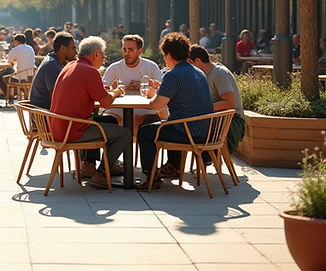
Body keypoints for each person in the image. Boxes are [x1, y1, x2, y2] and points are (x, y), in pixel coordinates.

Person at [50, 36, 132, 190]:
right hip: (73, 129)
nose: (103, 60)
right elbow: (106, 103)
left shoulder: (71, 66)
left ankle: (101, 164)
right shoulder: (89, 71)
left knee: (110, 121)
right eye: (103, 56)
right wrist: (116, 92)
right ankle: (101, 173)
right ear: (96, 54)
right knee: (126, 133)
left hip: (59, 125)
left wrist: (104, 91)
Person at [136, 32, 214, 190]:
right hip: (208, 130)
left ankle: (151, 177)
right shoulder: (198, 72)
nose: (164, 58)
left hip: (189, 132)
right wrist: (161, 90)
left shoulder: (173, 75)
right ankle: (173, 166)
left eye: (164, 55)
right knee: (170, 123)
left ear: (169, 55)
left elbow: (156, 106)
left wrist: (152, 95)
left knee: (145, 132)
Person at [189, 45, 246, 154]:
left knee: (192, 130)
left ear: (197, 61)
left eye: (189, 64)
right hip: (215, 119)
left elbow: (229, 103)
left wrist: (202, 109)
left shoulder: (219, 73)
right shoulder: (201, 76)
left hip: (232, 122)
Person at [102, 34, 164, 128]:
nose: (126, 53)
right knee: (108, 120)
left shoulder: (151, 66)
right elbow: (103, 89)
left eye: (130, 50)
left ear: (140, 51)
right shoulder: (114, 68)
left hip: (146, 109)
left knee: (152, 122)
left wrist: (147, 86)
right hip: (117, 109)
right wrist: (113, 89)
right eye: (124, 49)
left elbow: (163, 88)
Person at [29, 32, 76, 109]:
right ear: (63, 48)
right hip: (44, 112)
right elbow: (56, 97)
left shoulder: (55, 60)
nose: (75, 52)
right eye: (73, 48)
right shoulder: (52, 65)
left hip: (42, 110)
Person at [0, 33, 36, 103]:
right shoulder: (30, 48)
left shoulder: (15, 49)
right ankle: (22, 93)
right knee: (12, 75)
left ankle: (9, 97)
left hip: (20, 77)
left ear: (16, 41)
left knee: (0, 78)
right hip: (31, 75)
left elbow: (9, 60)